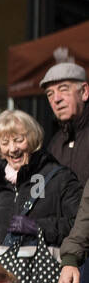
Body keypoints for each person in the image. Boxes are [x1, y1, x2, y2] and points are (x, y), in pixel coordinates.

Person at [0, 109, 78, 271]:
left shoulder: (59, 177)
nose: (12, 149)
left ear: (32, 138)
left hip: (44, 279)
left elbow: (79, 226)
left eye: (18, 140)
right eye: (5, 143)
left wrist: (38, 227)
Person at [41, 47, 89, 187]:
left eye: (63, 89)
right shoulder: (54, 144)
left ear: (84, 92)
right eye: (50, 94)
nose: (56, 99)